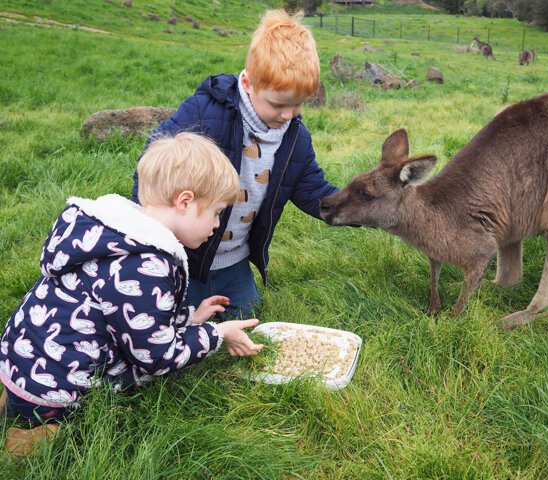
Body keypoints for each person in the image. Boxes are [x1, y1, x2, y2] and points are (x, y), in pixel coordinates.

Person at [0, 132, 264, 455]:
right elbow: (156, 356)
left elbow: (135, 316)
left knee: (23, 393)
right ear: (185, 202)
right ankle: (31, 435)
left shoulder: (117, 234)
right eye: (217, 212)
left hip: (23, 357)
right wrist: (217, 333)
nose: (217, 226)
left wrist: (190, 318)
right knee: (68, 432)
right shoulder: (145, 265)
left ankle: (13, 398)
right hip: (51, 386)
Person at [132, 9, 339, 319]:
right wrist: (147, 235)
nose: (288, 114)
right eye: (278, 104)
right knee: (168, 322)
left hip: (234, 260)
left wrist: (363, 205)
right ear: (248, 82)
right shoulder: (204, 114)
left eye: (298, 104)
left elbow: (312, 189)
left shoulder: (296, 138)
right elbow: (154, 165)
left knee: (249, 316)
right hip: (184, 254)